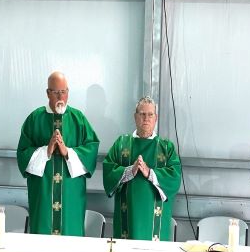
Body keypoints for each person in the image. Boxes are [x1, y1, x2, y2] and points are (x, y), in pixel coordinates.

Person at [17, 71, 100, 235]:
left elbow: (91, 149)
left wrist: (67, 152)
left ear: (68, 92)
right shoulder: (35, 119)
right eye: (56, 92)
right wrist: (46, 150)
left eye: (64, 91)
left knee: (71, 242)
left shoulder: (78, 119)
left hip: (71, 194)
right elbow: (22, 154)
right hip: (43, 194)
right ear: (48, 93)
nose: (60, 96)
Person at [102, 96, 182, 241]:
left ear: (156, 118)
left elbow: (174, 177)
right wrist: (129, 171)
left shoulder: (166, 147)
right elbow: (108, 171)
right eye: (142, 114)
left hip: (156, 224)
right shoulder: (121, 144)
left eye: (150, 114)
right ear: (135, 117)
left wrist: (150, 173)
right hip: (127, 219)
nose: (146, 118)